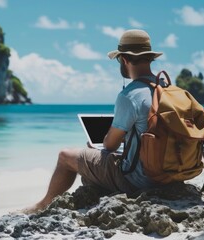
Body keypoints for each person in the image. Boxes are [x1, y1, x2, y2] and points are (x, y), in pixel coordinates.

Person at [23, 29, 163, 213]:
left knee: (66, 156)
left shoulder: (130, 95)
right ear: (149, 58)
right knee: (94, 156)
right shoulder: (166, 89)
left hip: (139, 181)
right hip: (167, 174)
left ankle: (42, 205)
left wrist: (102, 143)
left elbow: (110, 145)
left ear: (125, 59)